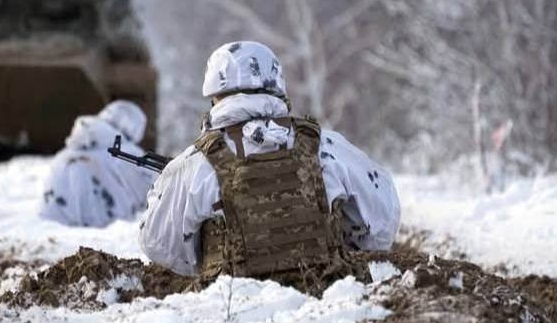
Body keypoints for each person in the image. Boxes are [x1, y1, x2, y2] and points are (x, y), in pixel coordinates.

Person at [139, 41, 401, 278]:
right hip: (327, 297)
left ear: (215, 96)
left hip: (229, 308)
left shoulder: (192, 163)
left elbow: (158, 244)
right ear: (277, 86)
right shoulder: (326, 146)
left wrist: (205, 264)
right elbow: (383, 217)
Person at [40, 100, 155, 227]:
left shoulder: (66, 152)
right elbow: (153, 195)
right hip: (104, 231)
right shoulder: (127, 153)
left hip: (51, 226)